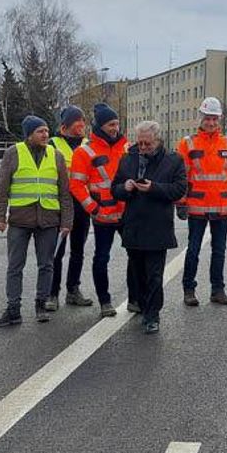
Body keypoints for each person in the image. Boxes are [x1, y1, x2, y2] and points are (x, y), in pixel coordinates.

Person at [0, 115, 73, 327]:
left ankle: (41, 304)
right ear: (29, 134)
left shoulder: (56, 155)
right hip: (20, 219)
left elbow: (64, 192)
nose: (46, 135)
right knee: (15, 265)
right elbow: (3, 188)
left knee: (46, 264)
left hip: (48, 219)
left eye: (46, 131)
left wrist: (67, 221)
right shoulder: (13, 153)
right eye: (40, 131)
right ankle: (13, 309)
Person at [111, 121, 187, 333]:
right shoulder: (128, 159)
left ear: (158, 140)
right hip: (133, 225)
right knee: (137, 272)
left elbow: (179, 190)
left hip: (157, 227)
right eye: (140, 143)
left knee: (154, 274)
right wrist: (124, 188)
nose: (143, 148)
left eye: (147, 144)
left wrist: (154, 188)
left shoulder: (173, 160)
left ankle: (152, 316)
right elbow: (114, 189)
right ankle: (142, 305)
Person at [177, 96, 227, 306]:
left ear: (220, 120)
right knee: (194, 250)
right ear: (201, 119)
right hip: (196, 207)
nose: (211, 123)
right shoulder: (187, 144)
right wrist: (181, 202)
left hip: (221, 207)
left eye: (214, 119)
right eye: (208, 118)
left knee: (219, 251)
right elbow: (181, 177)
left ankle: (218, 290)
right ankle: (189, 290)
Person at [70, 102, 133, 317]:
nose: (115, 128)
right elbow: (76, 184)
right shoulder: (84, 152)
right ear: (100, 126)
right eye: (110, 125)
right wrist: (93, 209)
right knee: (102, 258)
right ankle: (105, 301)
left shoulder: (127, 148)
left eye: (116, 124)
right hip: (103, 215)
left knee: (135, 255)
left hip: (126, 214)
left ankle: (134, 298)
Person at [45, 105, 93, 311]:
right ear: (65, 126)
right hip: (61, 205)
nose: (81, 124)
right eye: (77, 120)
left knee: (78, 250)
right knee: (57, 251)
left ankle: (73, 290)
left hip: (82, 204)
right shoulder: (53, 144)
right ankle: (52, 293)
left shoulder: (87, 144)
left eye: (83, 120)